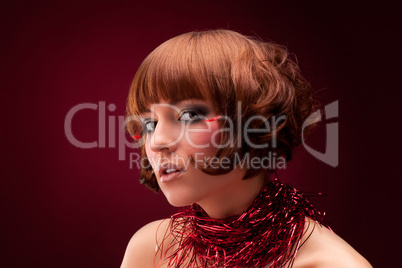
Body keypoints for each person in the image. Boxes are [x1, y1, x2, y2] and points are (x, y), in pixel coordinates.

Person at [121, 30, 371, 268]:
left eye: (189, 115)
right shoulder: (150, 251)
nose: (157, 142)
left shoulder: (331, 263)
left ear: (255, 122)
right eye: (149, 124)